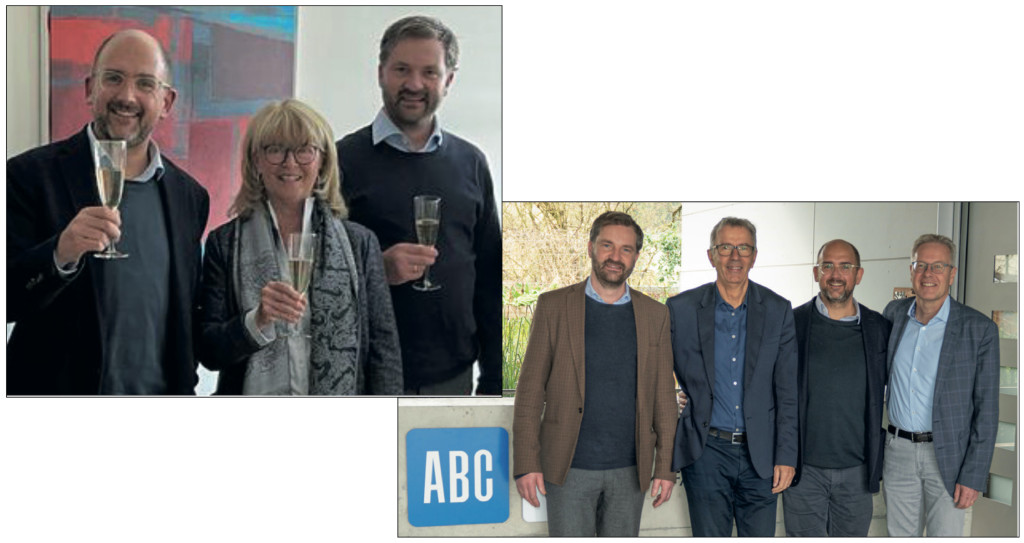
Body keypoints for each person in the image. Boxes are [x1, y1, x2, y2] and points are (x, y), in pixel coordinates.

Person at [7, 29, 209, 394]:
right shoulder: (27, 176)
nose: (127, 96)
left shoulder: (190, 197)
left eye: (145, 83)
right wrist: (59, 254)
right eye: (113, 78)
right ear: (89, 89)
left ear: (166, 101)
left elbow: (186, 320)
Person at [336, 15, 501, 395]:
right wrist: (377, 268)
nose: (414, 84)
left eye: (429, 72)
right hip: (365, 380)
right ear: (381, 73)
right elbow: (317, 276)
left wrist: (494, 380)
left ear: (449, 80)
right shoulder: (341, 160)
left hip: (453, 379)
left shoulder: (472, 163)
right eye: (401, 70)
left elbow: (491, 279)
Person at [196, 99, 403, 395]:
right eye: (275, 149)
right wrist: (258, 320)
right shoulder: (224, 244)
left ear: (322, 163)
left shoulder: (360, 243)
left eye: (305, 150)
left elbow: (384, 352)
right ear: (256, 161)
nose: (290, 163)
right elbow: (209, 351)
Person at [512, 211, 678, 537]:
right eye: (607, 245)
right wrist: (526, 463)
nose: (615, 257)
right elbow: (530, 392)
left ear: (636, 256)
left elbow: (663, 398)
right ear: (590, 247)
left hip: (631, 470)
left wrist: (667, 467)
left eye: (626, 249)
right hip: (568, 467)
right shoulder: (553, 306)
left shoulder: (655, 314)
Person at [666, 216, 798, 536]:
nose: (734, 257)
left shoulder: (779, 310)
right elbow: (653, 374)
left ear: (754, 256)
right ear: (711, 255)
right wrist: (673, 397)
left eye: (743, 248)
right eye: (725, 247)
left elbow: (788, 392)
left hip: (762, 456)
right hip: (706, 453)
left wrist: (786, 456)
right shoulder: (680, 309)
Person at [882, 234, 999, 536]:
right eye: (921, 265)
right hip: (898, 452)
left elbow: (987, 411)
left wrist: (974, 475)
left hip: (948, 456)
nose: (928, 274)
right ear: (911, 270)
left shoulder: (979, 329)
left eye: (938, 266)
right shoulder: (893, 315)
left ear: (952, 274)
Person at [783, 240, 891, 536]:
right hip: (803, 472)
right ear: (816, 272)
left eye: (846, 266)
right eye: (827, 265)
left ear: (859, 274)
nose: (836, 273)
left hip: (858, 472)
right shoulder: (792, 324)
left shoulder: (879, 328)